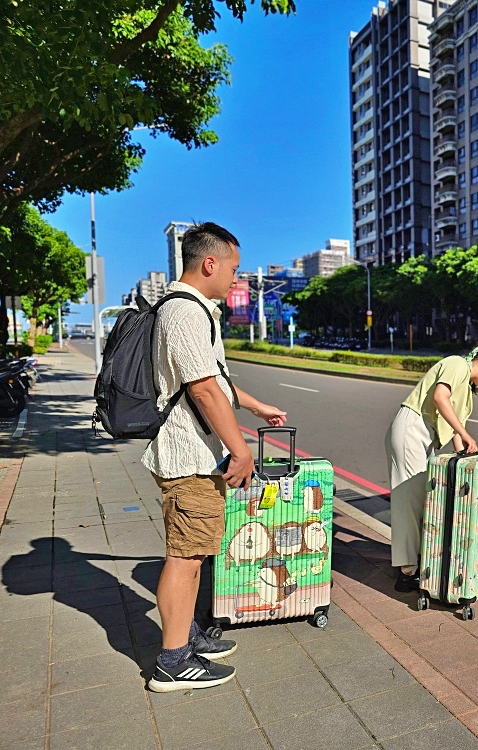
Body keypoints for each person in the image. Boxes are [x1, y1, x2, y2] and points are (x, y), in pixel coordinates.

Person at [142, 222, 287, 692]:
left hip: (198, 456)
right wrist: (241, 450)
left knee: (197, 551)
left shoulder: (196, 310)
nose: (236, 279)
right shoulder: (183, 313)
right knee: (185, 556)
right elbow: (203, 389)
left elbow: (213, 380)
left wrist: (257, 405)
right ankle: (172, 660)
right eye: (234, 268)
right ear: (210, 263)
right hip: (188, 458)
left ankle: (187, 637)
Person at [385, 342, 478, 592]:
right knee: (410, 501)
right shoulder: (457, 364)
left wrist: (464, 450)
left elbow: (454, 430)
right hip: (412, 429)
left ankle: (413, 562)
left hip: (423, 436)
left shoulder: (467, 394)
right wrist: (466, 434)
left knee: (421, 500)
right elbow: (440, 398)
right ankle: (407, 572)